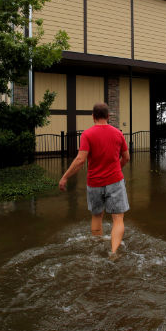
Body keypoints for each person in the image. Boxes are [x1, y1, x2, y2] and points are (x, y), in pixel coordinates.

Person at [59, 102, 130, 256]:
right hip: (115, 181)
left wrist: (64, 177)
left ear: (93, 116)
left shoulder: (87, 134)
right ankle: (114, 252)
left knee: (97, 216)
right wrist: (117, 168)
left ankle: (96, 249)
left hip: (94, 183)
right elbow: (126, 158)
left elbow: (80, 160)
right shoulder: (118, 133)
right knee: (118, 219)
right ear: (108, 116)